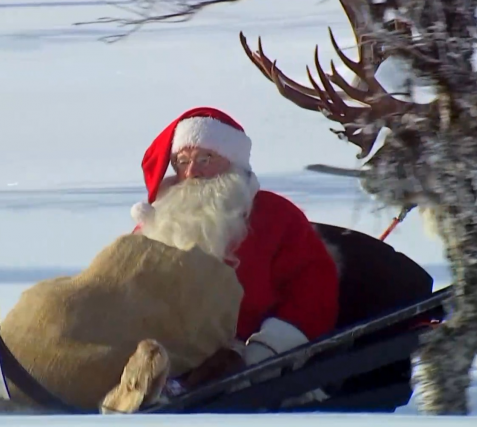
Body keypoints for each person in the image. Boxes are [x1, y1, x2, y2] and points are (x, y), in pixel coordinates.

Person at [129, 106, 340, 369]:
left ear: (233, 162)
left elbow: (313, 288)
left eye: (206, 158)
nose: (192, 171)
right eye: (183, 161)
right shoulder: (160, 216)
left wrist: (267, 349)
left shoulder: (276, 215)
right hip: (153, 347)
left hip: (236, 356)